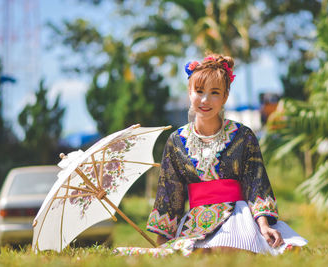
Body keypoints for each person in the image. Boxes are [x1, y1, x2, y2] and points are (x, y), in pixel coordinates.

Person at [114, 54, 307, 257]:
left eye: (215, 93)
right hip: (195, 222)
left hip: (238, 216)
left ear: (225, 97)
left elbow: (256, 184)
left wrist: (264, 225)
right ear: (189, 92)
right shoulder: (176, 141)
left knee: (231, 249)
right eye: (199, 91)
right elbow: (169, 197)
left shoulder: (243, 136)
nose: (205, 100)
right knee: (198, 253)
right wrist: (162, 248)